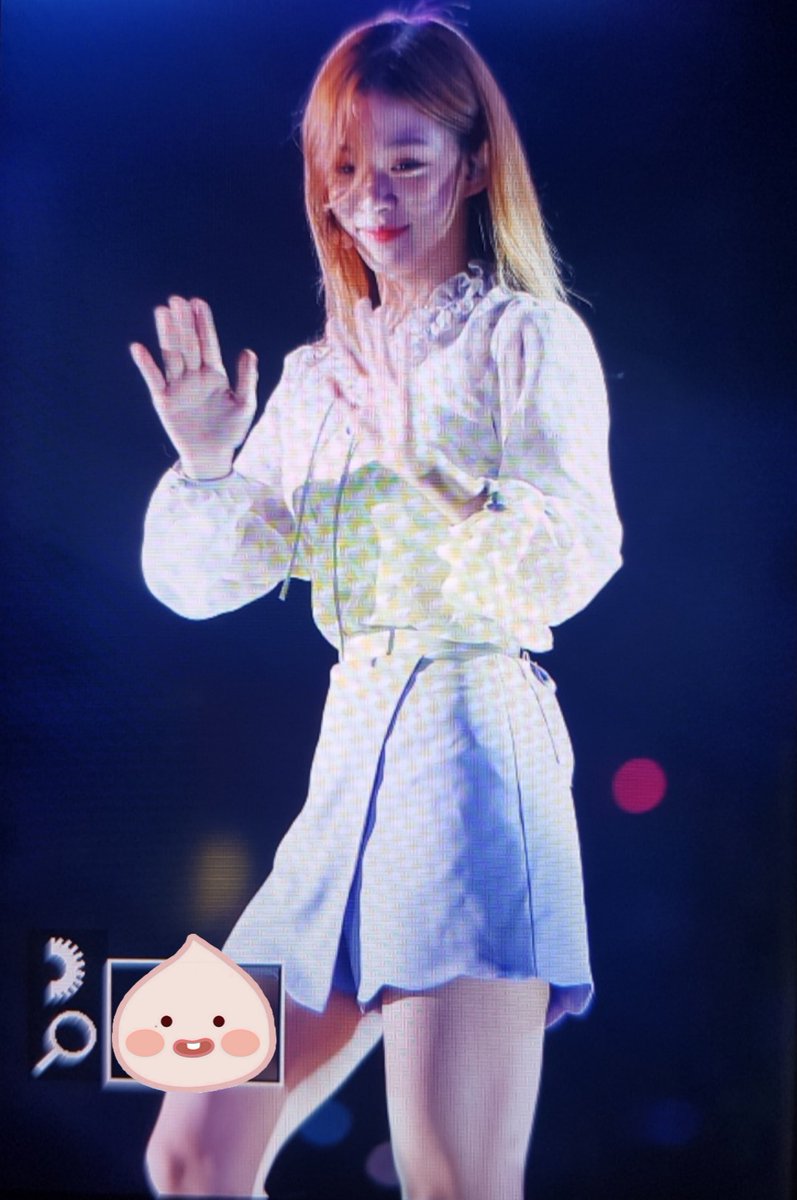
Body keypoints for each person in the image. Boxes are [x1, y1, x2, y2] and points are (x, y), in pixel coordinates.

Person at [130, 10, 623, 1199]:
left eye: (406, 160)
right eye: (347, 167)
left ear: (471, 164)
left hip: (468, 754)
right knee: (190, 1153)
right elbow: (203, 584)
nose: (373, 196)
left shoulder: (524, 337)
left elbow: (573, 561)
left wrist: (435, 472)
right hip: (344, 774)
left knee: (451, 1176)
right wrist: (205, 461)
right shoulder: (316, 376)